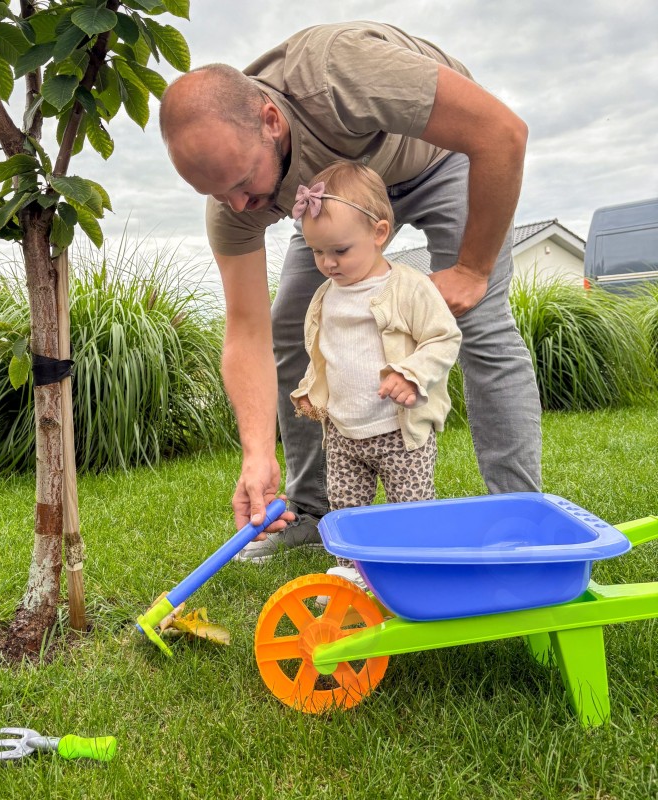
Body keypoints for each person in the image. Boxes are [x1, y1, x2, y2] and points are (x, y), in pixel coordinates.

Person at [159, 22, 542, 559]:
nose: (240, 206)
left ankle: (520, 517)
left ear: (271, 122)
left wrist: (473, 271)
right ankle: (312, 510)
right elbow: (247, 332)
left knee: (476, 321)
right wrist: (255, 454)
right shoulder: (232, 200)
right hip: (333, 206)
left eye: (244, 182)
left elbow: (502, 133)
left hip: (436, 162)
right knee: (292, 324)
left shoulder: (337, 73)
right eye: (216, 194)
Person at [282, 161, 462, 583]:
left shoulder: (409, 287)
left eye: (339, 251)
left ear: (379, 233)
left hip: (401, 433)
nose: (327, 262)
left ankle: (416, 572)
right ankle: (354, 574)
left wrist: (412, 373)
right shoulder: (326, 295)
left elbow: (444, 338)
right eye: (316, 252)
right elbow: (326, 352)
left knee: (410, 510)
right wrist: (313, 389)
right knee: (347, 510)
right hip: (345, 433)